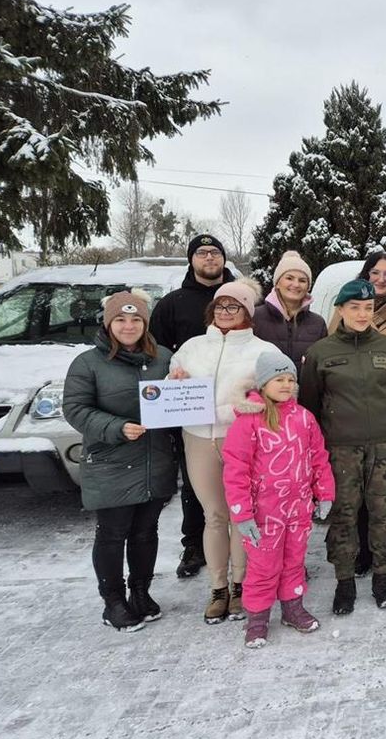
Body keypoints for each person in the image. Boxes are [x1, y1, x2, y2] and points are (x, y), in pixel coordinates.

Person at [63, 291, 177, 631]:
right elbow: (75, 409)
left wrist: (182, 383)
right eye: (121, 320)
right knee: (112, 534)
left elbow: (178, 400)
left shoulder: (164, 358)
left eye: (136, 319)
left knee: (145, 532)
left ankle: (140, 592)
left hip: (154, 460)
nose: (129, 326)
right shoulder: (88, 363)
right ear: (108, 323)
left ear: (145, 323)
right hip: (111, 461)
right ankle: (112, 602)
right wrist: (116, 427)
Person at [169, 279, 279, 622]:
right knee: (214, 516)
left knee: (240, 515)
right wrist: (175, 382)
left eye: (234, 306)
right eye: (220, 305)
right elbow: (172, 387)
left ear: (247, 311)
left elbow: (272, 397)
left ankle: (240, 585)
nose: (226, 312)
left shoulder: (264, 351)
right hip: (199, 440)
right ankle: (218, 587)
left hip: (242, 442)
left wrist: (233, 410)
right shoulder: (192, 347)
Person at [300, 279, 386, 613]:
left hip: (385, 446)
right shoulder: (321, 352)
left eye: (368, 308)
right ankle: (344, 581)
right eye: (355, 307)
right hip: (340, 449)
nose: (362, 314)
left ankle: (382, 576)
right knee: (344, 514)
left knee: (382, 511)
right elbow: (310, 403)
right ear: (341, 309)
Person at [222, 350, 336, 648]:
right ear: (263, 384)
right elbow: (236, 470)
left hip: (298, 509)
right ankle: (257, 619)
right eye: (278, 379)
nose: (286, 385)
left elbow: (318, 457)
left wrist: (324, 492)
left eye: (290, 379)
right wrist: (242, 513)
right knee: (263, 567)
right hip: (264, 513)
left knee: (294, 561)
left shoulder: (304, 418)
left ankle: (292, 608)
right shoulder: (249, 421)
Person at [151, 233, 235, 580]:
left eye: (215, 252)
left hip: (234, 406)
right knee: (196, 483)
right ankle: (195, 544)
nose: (209, 258)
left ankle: (243, 542)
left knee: (241, 481)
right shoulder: (172, 304)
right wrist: (169, 389)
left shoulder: (240, 298)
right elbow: (157, 354)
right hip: (190, 408)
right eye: (202, 253)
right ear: (191, 259)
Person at [351, 251, 386, 576]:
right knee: (360, 488)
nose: (381, 279)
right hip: (355, 412)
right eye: (375, 272)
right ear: (366, 275)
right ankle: (363, 550)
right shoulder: (348, 311)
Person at [252, 250, 327, 368]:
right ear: (277, 283)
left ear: (308, 287)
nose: (296, 284)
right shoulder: (255, 317)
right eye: (289, 278)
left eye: (302, 280)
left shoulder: (318, 323)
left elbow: (323, 364)